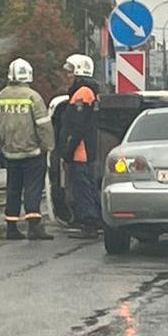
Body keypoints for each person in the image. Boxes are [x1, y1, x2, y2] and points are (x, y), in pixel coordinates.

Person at [0, 57, 55, 241]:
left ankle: (11, 228)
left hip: (10, 153)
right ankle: (34, 227)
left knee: (13, 189)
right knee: (33, 189)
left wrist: (2, 145)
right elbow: (43, 125)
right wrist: (48, 146)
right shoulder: (32, 97)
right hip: (32, 153)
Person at [60, 53, 103, 237]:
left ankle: (89, 223)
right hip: (83, 150)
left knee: (83, 187)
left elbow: (77, 125)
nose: (67, 76)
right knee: (86, 186)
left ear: (79, 72)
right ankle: (91, 221)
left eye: (69, 72)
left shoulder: (82, 93)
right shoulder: (87, 92)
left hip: (80, 151)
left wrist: (68, 150)